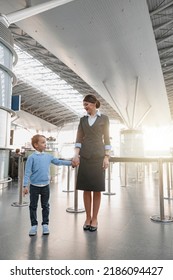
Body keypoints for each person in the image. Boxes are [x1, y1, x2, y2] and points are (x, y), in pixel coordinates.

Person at [23, 134, 76, 236]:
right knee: (33, 206)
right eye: (43, 142)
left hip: (45, 186)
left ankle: (45, 224)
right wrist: (25, 186)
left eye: (45, 142)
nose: (45, 144)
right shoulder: (31, 158)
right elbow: (27, 172)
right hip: (34, 186)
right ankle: (33, 225)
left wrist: (71, 163)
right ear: (36, 145)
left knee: (45, 206)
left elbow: (59, 162)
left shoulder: (48, 156)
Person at [73, 94, 111, 232]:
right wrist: (76, 155)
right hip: (85, 156)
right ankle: (87, 217)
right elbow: (78, 139)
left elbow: (107, 139)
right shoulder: (82, 120)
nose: (85, 108)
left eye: (86, 105)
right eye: (84, 105)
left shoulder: (104, 119)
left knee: (96, 188)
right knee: (86, 188)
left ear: (93, 103)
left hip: (98, 156)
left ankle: (95, 218)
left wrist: (106, 157)